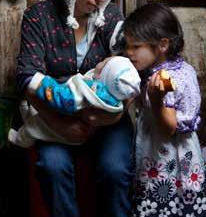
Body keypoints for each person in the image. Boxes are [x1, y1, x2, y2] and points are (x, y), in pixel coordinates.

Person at [16, 0, 135, 217]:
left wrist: (108, 120)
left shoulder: (112, 19)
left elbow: (130, 75)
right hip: (56, 118)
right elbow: (26, 77)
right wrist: (60, 123)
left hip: (107, 119)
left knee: (116, 169)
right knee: (52, 166)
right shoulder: (38, 17)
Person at [123, 3, 206, 217]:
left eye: (135, 46)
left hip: (167, 167)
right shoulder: (184, 68)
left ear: (161, 45)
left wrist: (153, 97)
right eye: (127, 46)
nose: (129, 53)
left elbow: (168, 128)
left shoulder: (162, 80)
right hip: (189, 165)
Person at [10, 55, 140, 148]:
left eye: (104, 63)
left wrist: (37, 82)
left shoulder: (85, 95)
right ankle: (26, 111)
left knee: (34, 127)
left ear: (103, 77)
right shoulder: (114, 97)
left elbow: (58, 96)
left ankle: (18, 139)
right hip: (81, 126)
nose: (100, 62)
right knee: (35, 112)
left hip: (68, 128)